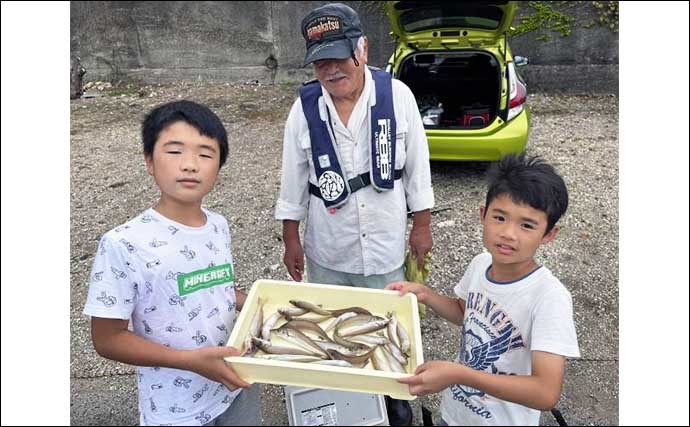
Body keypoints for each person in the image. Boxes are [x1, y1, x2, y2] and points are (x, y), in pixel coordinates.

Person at [274, 3, 434, 424]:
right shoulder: (305, 108)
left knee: (388, 331)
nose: (329, 71)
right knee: (335, 330)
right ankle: (350, 409)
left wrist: (422, 227)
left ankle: (397, 406)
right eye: (319, 62)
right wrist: (291, 237)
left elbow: (418, 167)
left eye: (337, 57)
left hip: (384, 245)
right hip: (329, 247)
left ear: (361, 49)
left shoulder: (397, 95)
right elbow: (293, 177)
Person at [83, 100, 261, 426]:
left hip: (236, 384)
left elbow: (213, 284)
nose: (190, 164)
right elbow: (107, 339)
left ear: (219, 166)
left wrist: (253, 301)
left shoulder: (218, 225)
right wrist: (189, 361)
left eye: (206, 154)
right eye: (175, 151)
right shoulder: (123, 243)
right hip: (175, 409)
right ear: (149, 161)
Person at [387, 153, 580, 426]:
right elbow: (465, 313)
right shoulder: (480, 264)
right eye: (500, 218)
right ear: (483, 214)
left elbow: (546, 392)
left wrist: (460, 375)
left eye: (527, 225)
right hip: (456, 414)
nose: (508, 233)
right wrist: (425, 294)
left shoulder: (549, 298)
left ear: (549, 234)